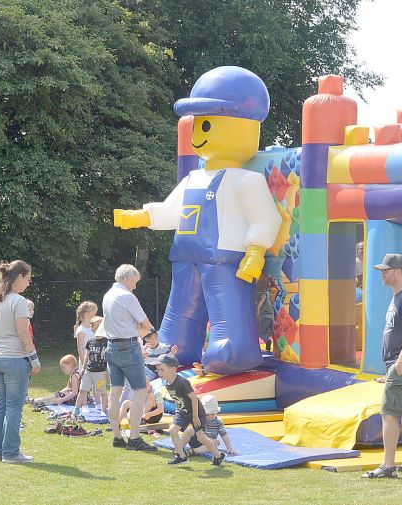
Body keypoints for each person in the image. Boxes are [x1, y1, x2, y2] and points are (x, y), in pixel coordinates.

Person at [114, 67, 282, 376]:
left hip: (223, 257)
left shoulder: (245, 179)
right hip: (186, 256)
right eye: (198, 125)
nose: (199, 134)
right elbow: (172, 210)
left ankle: (235, 348)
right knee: (181, 308)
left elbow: (264, 217)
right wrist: (141, 216)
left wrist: (256, 250)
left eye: (206, 124)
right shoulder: (194, 177)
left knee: (226, 306)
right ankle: (175, 346)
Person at [363, 253, 402, 479]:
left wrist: (399, 363)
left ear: (399, 272)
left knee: (389, 413)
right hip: (400, 365)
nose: (382, 273)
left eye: (386, 270)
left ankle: (388, 466)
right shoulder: (398, 296)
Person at [0, 260, 40, 464]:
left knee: (0, 405)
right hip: (15, 359)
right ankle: (11, 453)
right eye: (28, 278)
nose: (29, 282)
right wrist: (34, 359)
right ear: (19, 277)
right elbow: (23, 333)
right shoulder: (19, 301)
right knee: (14, 406)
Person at [102, 264, 157, 452]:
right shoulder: (127, 296)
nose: (135, 286)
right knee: (140, 391)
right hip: (129, 346)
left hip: (111, 347)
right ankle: (134, 437)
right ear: (127, 279)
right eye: (134, 282)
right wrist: (143, 332)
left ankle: (117, 436)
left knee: (115, 392)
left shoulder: (108, 295)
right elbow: (147, 325)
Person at [156, 354, 226, 466]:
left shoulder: (182, 382)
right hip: (182, 411)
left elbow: (193, 399)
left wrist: (195, 416)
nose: (159, 372)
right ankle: (181, 456)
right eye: (158, 370)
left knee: (201, 438)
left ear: (173, 370)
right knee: (173, 430)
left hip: (195, 412)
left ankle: (218, 455)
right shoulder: (166, 382)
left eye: (162, 370)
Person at [74, 317, 109, 416]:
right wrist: (83, 368)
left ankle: (103, 410)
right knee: (82, 390)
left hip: (100, 373)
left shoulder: (106, 342)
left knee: (102, 391)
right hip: (88, 372)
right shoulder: (90, 341)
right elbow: (87, 355)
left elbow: (109, 357)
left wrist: (107, 372)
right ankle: (76, 409)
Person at [255, 275, 275, 352]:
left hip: (265, 316)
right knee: (272, 332)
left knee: (260, 332)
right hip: (271, 316)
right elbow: (272, 306)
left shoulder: (265, 294)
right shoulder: (270, 294)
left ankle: (267, 341)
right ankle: (270, 348)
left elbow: (260, 304)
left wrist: (258, 313)